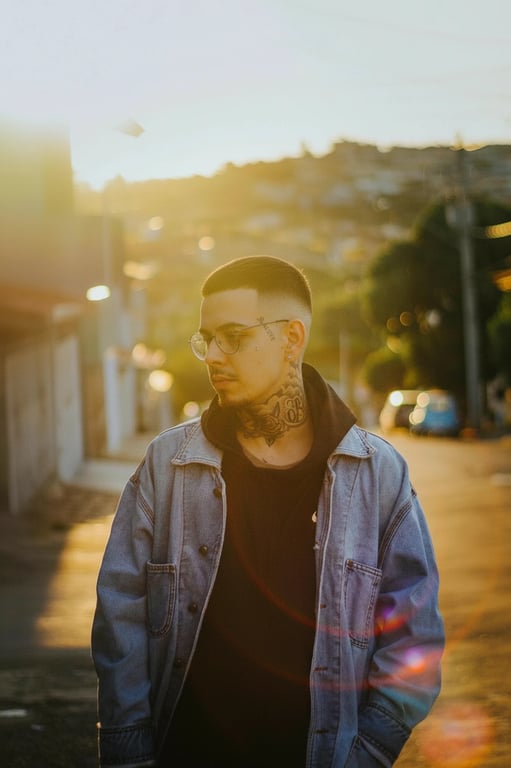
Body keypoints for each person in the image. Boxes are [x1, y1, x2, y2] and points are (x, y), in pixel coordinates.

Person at [92, 254, 444, 768]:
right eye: (205, 339)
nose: (213, 355)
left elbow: (416, 634)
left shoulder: (375, 471)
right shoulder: (170, 465)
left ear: (292, 339)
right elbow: (120, 612)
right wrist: (129, 751)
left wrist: (366, 752)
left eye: (233, 336)